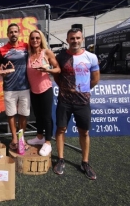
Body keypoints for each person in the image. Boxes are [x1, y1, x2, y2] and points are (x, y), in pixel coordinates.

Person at [53, 27, 100, 180]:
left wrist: (82, 90)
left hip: (83, 101)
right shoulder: (60, 57)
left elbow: (95, 79)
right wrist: (66, 89)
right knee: (61, 129)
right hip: (64, 100)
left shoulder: (91, 57)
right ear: (67, 40)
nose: (75, 41)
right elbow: (57, 77)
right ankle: (60, 159)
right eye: (72, 38)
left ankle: (85, 162)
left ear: (82, 39)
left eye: (78, 38)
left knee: (84, 132)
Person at [0, 23, 30, 151]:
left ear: (19, 33)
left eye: (15, 31)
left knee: (23, 114)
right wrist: (0, 71)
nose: (13, 34)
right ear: (7, 34)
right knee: (11, 114)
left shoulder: (26, 47)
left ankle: (22, 138)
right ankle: (14, 138)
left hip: (25, 86)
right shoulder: (2, 50)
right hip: (9, 87)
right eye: (11, 32)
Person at [26, 29, 60, 156]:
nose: (35, 40)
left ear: (41, 40)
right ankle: (39, 137)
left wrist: (48, 70)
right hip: (33, 90)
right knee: (38, 116)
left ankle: (48, 142)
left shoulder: (47, 52)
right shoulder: (28, 55)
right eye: (32, 38)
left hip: (45, 89)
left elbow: (58, 69)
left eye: (37, 38)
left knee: (46, 117)